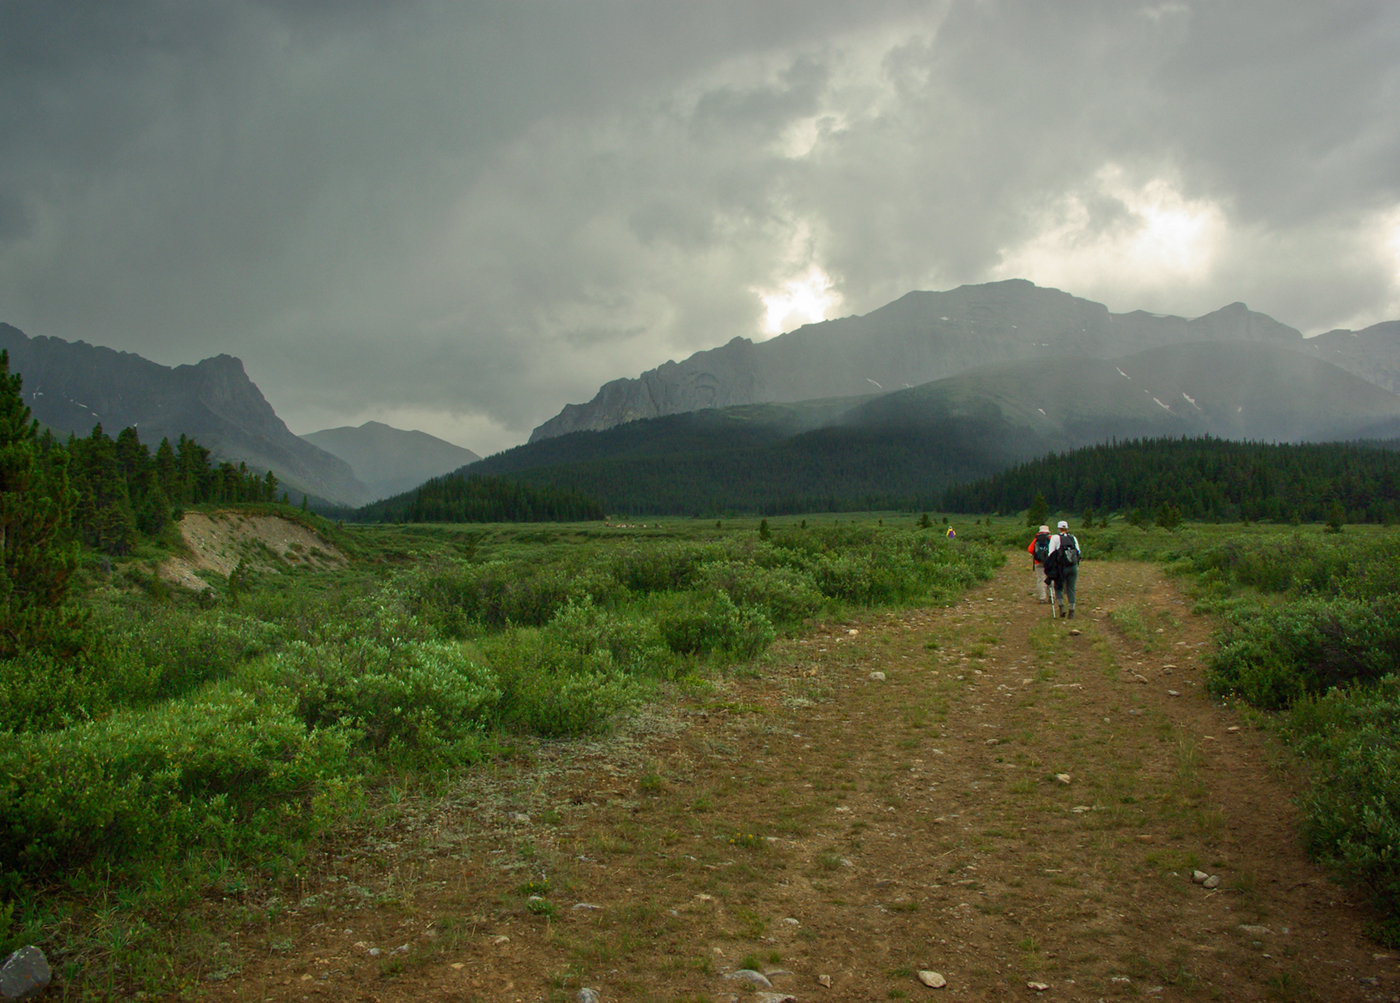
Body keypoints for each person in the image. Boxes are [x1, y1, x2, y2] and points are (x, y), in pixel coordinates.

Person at [1043, 520, 1080, 619]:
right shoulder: (1073, 538)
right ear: (1067, 528)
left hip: (1061, 568)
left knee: (1058, 587)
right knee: (1071, 588)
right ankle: (1071, 610)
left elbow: (1051, 554)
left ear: (1059, 528)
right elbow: (1078, 552)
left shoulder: (1055, 538)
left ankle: (1061, 607)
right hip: (1073, 567)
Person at [1027, 524, 1051, 603]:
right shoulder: (1050, 538)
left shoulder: (1036, 539)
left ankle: (1042, 598)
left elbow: (1030, 549)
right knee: (1051, 578)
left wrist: (1036, 555)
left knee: (1041, 579)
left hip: (1038, 562)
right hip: (1049, 562)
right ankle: (1051, 596)